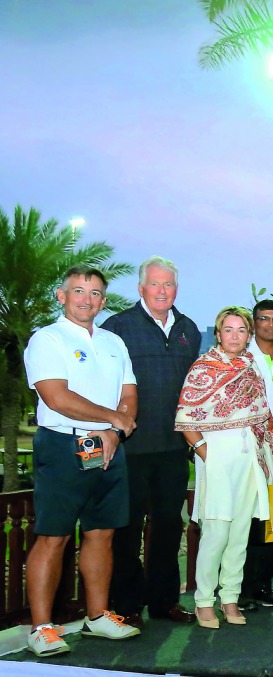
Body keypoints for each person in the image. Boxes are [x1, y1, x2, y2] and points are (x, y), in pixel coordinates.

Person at [23, 266, 141, 656]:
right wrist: (112, 420)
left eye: (94, 293)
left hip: (107, 446)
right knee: (53, 536)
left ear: (103, 301)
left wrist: (114, 430)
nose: (86, 299)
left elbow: (129, 395)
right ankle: (41, 627)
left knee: (101, 532)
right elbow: (57, 397)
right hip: (61, 446)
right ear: (62, 296)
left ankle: (97, 616)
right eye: (78, 290)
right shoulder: (47, 339)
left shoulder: (113, 341)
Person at [102, 256, 201, 626]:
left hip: (175, 450)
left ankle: (164, 603)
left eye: (169, 285)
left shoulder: (188, 328)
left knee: (167, 528)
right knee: (126, 529)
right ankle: (126, 606)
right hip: (131, 449)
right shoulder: (118, 326)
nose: (162, 291)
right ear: (141, 288)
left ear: (177, 289)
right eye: (155, 284)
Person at [176, 306, 273, 629]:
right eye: (229, 330)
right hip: (216, 455)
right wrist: (206, 453)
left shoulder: (250, 367)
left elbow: (262, 416)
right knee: (216, 533)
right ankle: (204, 601)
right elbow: (185, 419)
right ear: (218, 334)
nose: (235, 336)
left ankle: (230, 597)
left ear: (249, 336)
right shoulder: (202, 368)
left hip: (249, 457)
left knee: (239, 534)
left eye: (241, 331)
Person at [240, 299, 273, 611]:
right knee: (246, 519)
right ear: (254, 323)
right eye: (264, 319)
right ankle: (241, 589)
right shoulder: (242, 357)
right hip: (249, 448)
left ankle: (263, 585)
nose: (271, 325)